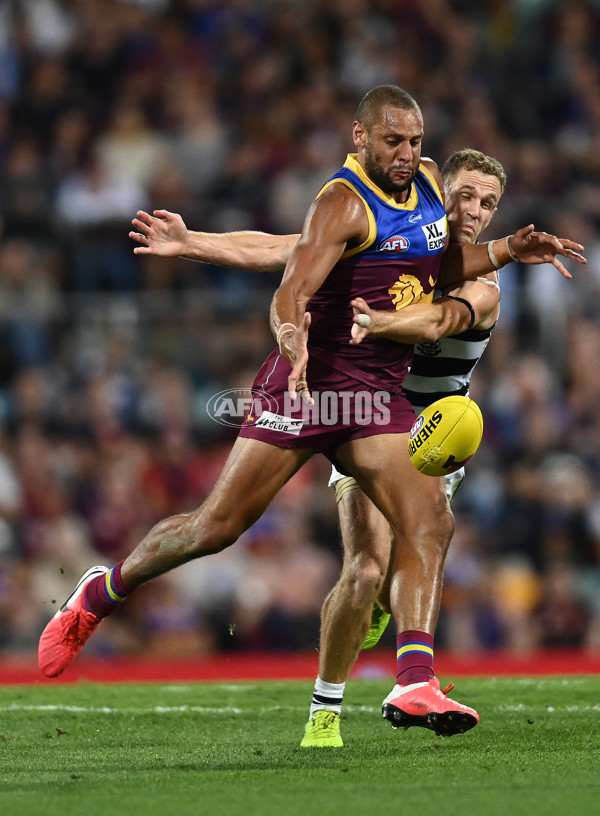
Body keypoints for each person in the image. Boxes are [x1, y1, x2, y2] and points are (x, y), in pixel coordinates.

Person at [38, 87, 584, 750]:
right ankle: (102, 591)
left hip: (376, 398)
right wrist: (291, 337)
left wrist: (500, 250)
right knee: (214, 528)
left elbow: (434, 266)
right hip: (308, 389)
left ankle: (414, 679)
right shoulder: (342, 202)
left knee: (429, 518)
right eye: (393, 142)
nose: (407, 155)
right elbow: (291, 281)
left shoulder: (431, 188)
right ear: (360, 137)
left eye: (415, 141)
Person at [129, 146, 509, 746]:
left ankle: (408, 670)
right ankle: (326, 714)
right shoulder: (390, 241)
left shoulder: (483, 284)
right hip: (362, 417)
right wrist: (193, 241)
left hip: (427, 439)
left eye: (488, 204)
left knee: (406, 551)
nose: (474, 211)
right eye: (464, 195)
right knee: (364, 570)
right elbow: (286, 249)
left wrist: (379, 323)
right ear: (440, 196)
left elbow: (435, 322)